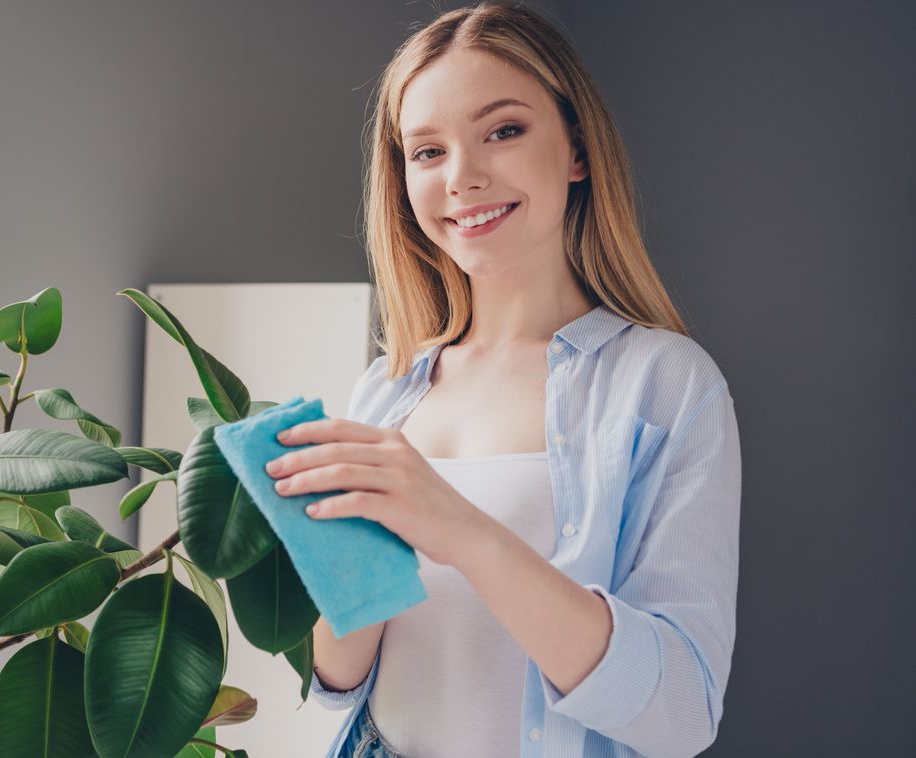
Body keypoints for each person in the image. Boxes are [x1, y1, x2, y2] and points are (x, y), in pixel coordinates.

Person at [266, 2, 741, 756]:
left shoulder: (663, 384)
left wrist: (457, 529)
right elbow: (336, 681)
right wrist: (310, 546)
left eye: (503, 131)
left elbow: (680, 715)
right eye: (426, 152)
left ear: (577, 149)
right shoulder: (385, 391)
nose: (464, 177)